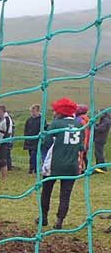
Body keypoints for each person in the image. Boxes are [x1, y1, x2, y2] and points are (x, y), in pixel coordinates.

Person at [40, 97, 85, 231]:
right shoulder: (79, 125)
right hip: (72, 166)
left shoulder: (56, 124)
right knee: (65, 194)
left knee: (46, 191)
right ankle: (59, 220)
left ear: (59, 111)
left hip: (54, 165)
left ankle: (43, 218)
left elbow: (46, 143)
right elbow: (82, 147)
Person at [0, 104, 15, 175]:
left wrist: (0, 143)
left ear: (1, 110)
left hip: (4, 142)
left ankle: (4, 176)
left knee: (2, 159)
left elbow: (8, 133)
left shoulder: (7, 120)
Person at [23, 105, 43, 175]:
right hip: (29, 141)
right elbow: (26, 129)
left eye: (33, 111)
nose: (32, 113)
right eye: (31, 111)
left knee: (34, 155)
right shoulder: (29, 120)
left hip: (37, 141)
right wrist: (26, 137)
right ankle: (32, 168)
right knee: (31, 154)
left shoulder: (42, 120)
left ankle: (34, 169)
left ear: (38, 111)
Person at [93, 107, 111, 173]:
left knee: (99, 153)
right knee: (97, 153)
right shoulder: (104, 120)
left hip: (100, 139)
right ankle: (98, 167)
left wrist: (93, 126)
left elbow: (100, 129)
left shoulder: (106, 121)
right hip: (100, 138)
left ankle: (103, 168)